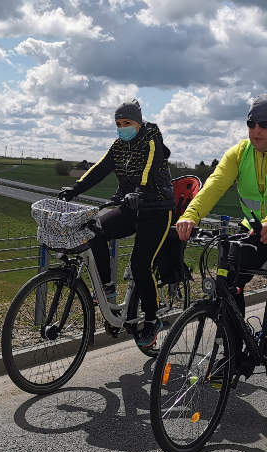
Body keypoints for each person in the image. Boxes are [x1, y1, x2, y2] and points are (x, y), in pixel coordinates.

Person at [176, 94, 267, 349]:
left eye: (265, 124)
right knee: (230, 281)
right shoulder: (239, 153)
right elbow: (215, 184)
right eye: (251, 123)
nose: (256, 130)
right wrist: (190, 214)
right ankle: (234, 352)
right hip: (257, 226)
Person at [58, 99, 174, 347]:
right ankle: (108, 290)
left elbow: (148, 169)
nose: (122, 127)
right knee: (95, 230)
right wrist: (75, 189)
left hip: (156, 209)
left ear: (139, 123)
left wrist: (140, 192)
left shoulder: (152, 139)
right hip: (131, 207)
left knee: (141, 264)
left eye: (127, 123)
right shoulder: (119, 145)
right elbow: (100, 168)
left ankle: (152, 320)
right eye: (118, 124)